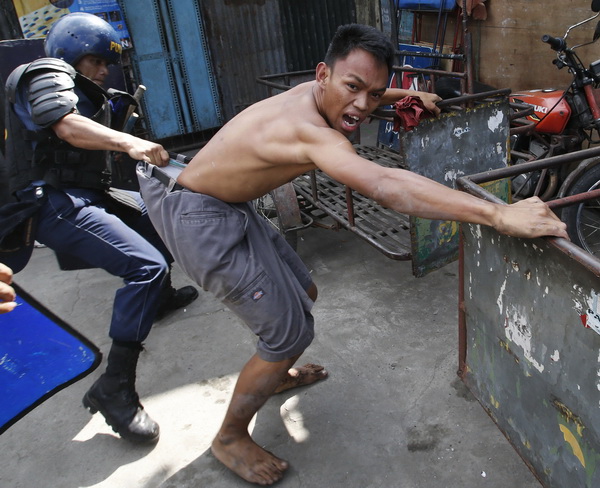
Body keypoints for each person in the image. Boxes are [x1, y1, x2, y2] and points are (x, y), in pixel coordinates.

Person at [137, 24, 568, 484]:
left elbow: (366, 92)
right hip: (199, 217)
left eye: (374, 92)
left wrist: (406, 94)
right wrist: (497, 216)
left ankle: (274, 370)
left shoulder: (315, 91)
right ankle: (229, 436)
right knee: (288, 335)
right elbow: (385, 185)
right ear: (324, 73)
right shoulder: (309, 133)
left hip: (221, 201)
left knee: (305, 290)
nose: (363, 105)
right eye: (353, 88)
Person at [3, 12, 199, 443]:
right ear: (72, 53)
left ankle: (158, 299)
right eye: (97, 61)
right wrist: (129, 142)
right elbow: (65, 125)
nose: (105, 70)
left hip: (86, 191)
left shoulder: (89, 90)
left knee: (157, 220)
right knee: (144, 266)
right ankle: (115, 389)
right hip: (51, 201)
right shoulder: (44, 72)